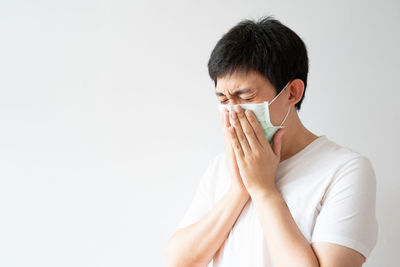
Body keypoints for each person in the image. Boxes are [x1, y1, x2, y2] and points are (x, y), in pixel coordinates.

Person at [165, 16, 378, 267]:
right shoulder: (222, 167)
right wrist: (239, 189)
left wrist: (263, 189)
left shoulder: (345, 170)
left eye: (244, 96)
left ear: (292, 92)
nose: (233, 111)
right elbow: (179, 260)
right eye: (223, 100)